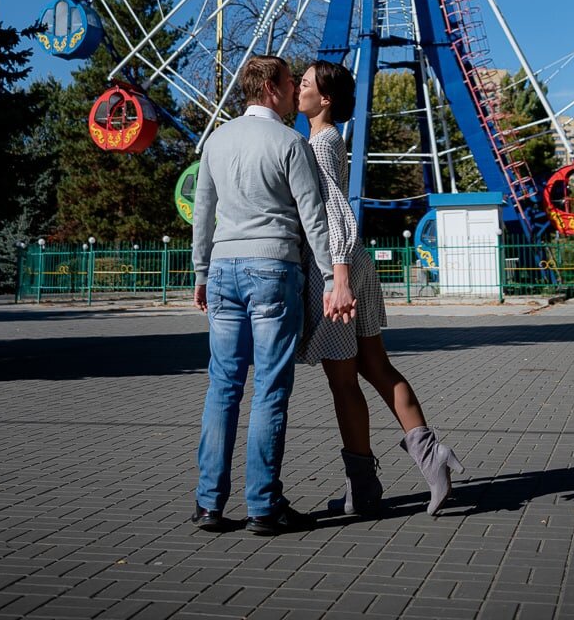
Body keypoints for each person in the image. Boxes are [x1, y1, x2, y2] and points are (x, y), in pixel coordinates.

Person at [192, 54, 351, 535]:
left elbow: (203, 212)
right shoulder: (290, 143)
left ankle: (208, 504)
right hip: (272, 269)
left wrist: (201, 271)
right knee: (269, 389)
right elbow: (314, 218)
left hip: (222, 268)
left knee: (223, 386)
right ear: (272, 88)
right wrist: (329, 276)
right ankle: (263, 504)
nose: (292, 90)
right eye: (288, 82)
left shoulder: (216, 141)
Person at [297, 59, 463, 517]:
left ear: (325, 99)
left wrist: (339, 275)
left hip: (338, 266)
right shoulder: (326, 139)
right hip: (356, 262)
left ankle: (364, 488)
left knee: (343, 380)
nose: (299, 89)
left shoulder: (322, 141)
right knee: (377, 365)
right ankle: (433, 458)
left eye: (306, 84)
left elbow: (334, 208)